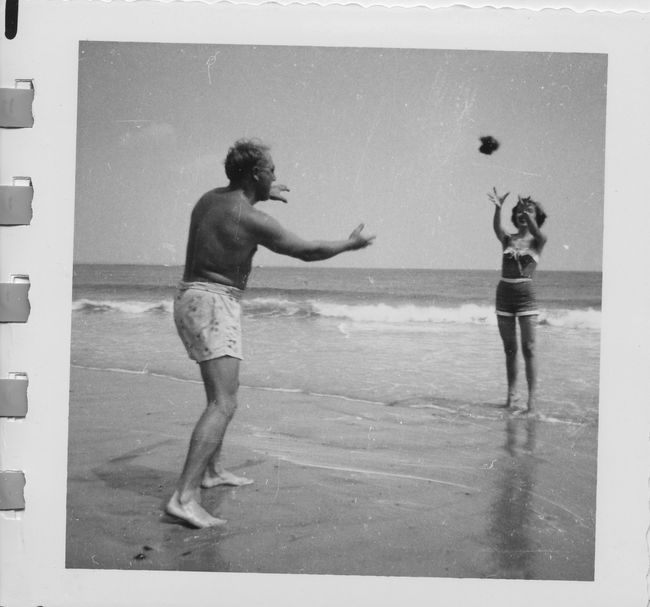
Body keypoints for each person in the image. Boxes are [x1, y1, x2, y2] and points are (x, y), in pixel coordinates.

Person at [166, 138, 375, 528]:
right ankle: (184, 496)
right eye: (271, 171)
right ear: (254, 174)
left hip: (194, 298)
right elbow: (308, 250)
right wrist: (350, 244)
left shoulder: (210, 199)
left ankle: (210, 472)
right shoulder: (250, 217)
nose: (277, 176)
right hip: (214, 303)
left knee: (222, 396)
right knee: (223, 404)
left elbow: (234, 214)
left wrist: (260, 193)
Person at [488, 187, 547, 413]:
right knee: (510, 349)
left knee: (529, 348)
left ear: (535, 217)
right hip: (504, 296)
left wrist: (528, 212)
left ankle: (532, 401)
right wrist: (498, 208)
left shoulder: (538, 241)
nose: (524, 214)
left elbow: (535, 229)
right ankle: (512, 396)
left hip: (526, 298)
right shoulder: (508, 239)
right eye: (521, 211)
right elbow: (496, 228)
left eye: (529, 212)